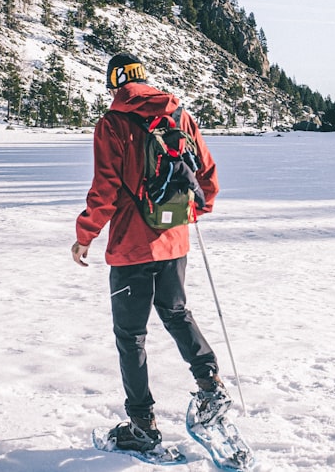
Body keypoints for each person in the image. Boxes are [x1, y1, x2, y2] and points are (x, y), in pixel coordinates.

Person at [71, 52, 231, 453]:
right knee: (176, 313)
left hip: (131, 246)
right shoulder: (179, 116)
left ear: (113, 85)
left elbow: (105, 189)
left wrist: (85, 235)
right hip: (174, 239)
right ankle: (210, 385)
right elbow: (207, 178)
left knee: (131, 336)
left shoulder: (113, 124)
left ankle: (142, 425)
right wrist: (191, 213)